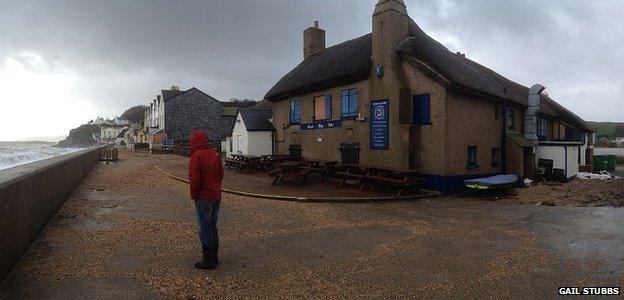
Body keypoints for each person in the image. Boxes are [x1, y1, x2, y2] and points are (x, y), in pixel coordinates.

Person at [188, 130, 223, 270]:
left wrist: (194, 195)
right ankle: (214, 256)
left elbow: (195, 180)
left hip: (203, 197)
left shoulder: (196, 156)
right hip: (216, 195)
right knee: (212, 226)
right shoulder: (215, 155)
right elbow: (220, 175)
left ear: (194, 142)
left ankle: (208, 259)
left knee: (204, 227)